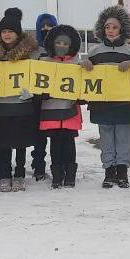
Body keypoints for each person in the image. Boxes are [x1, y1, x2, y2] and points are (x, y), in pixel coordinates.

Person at [84, 5, 130, 189]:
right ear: (102, 28)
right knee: (106, 137)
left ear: (122, 29)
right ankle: (109, 171)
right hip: (102, 103)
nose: (110, 30)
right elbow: (83, 74)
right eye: (107, 27)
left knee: (124, 136)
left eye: (114, 27)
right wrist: (85, 64)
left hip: (125, 102)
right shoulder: (94, 52)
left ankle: (123, 171)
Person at [0, 8, 40, 192]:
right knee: (1, 144)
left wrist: (32, 93)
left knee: (20, 144)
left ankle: (19, 174)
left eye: (10, 31)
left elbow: (38, 77)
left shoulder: (30, 54)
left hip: (21, 106)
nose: (7, 35)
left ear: (17, 33)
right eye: (4, 31)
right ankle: (4, 175)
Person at [38, 24, 82, 189]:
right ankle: (57, 174)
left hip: (70, 110)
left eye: (66, 44)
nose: (62, 46)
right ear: (52, 43)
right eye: (59, 43)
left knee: (69, 143)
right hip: (51, 110)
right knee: (55, 143)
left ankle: (70, 175)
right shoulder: (43, 62)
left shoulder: (77, 63)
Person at [30, 12, 58, 180]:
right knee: (38, 136)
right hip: (38, 100)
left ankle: (57, 165)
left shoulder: (61, 47)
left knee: (55, 135)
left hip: (56, 99)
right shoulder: (34, 51)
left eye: (49, 26)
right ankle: (38, 165)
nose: (46, 29)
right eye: (43, 26)